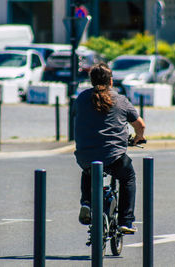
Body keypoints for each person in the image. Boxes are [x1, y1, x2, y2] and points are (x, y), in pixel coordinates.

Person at [73, 62, 146, 233]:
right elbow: (140, 125)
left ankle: (87, 204)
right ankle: (126, 221)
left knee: (89, 171)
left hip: (85, 154)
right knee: (128, 177)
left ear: (91, 81)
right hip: (114, 155)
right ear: (111, 81)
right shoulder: (120, 100)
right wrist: (138, 138)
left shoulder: (82, 98)